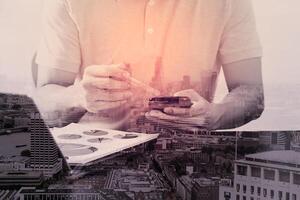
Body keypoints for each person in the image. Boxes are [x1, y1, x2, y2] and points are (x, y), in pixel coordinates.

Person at [35, 0, 264, 130]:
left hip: (188, 155)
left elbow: (252, 93)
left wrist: (216, 115)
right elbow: (44, 103)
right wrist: (79, 97)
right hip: (95, 157)